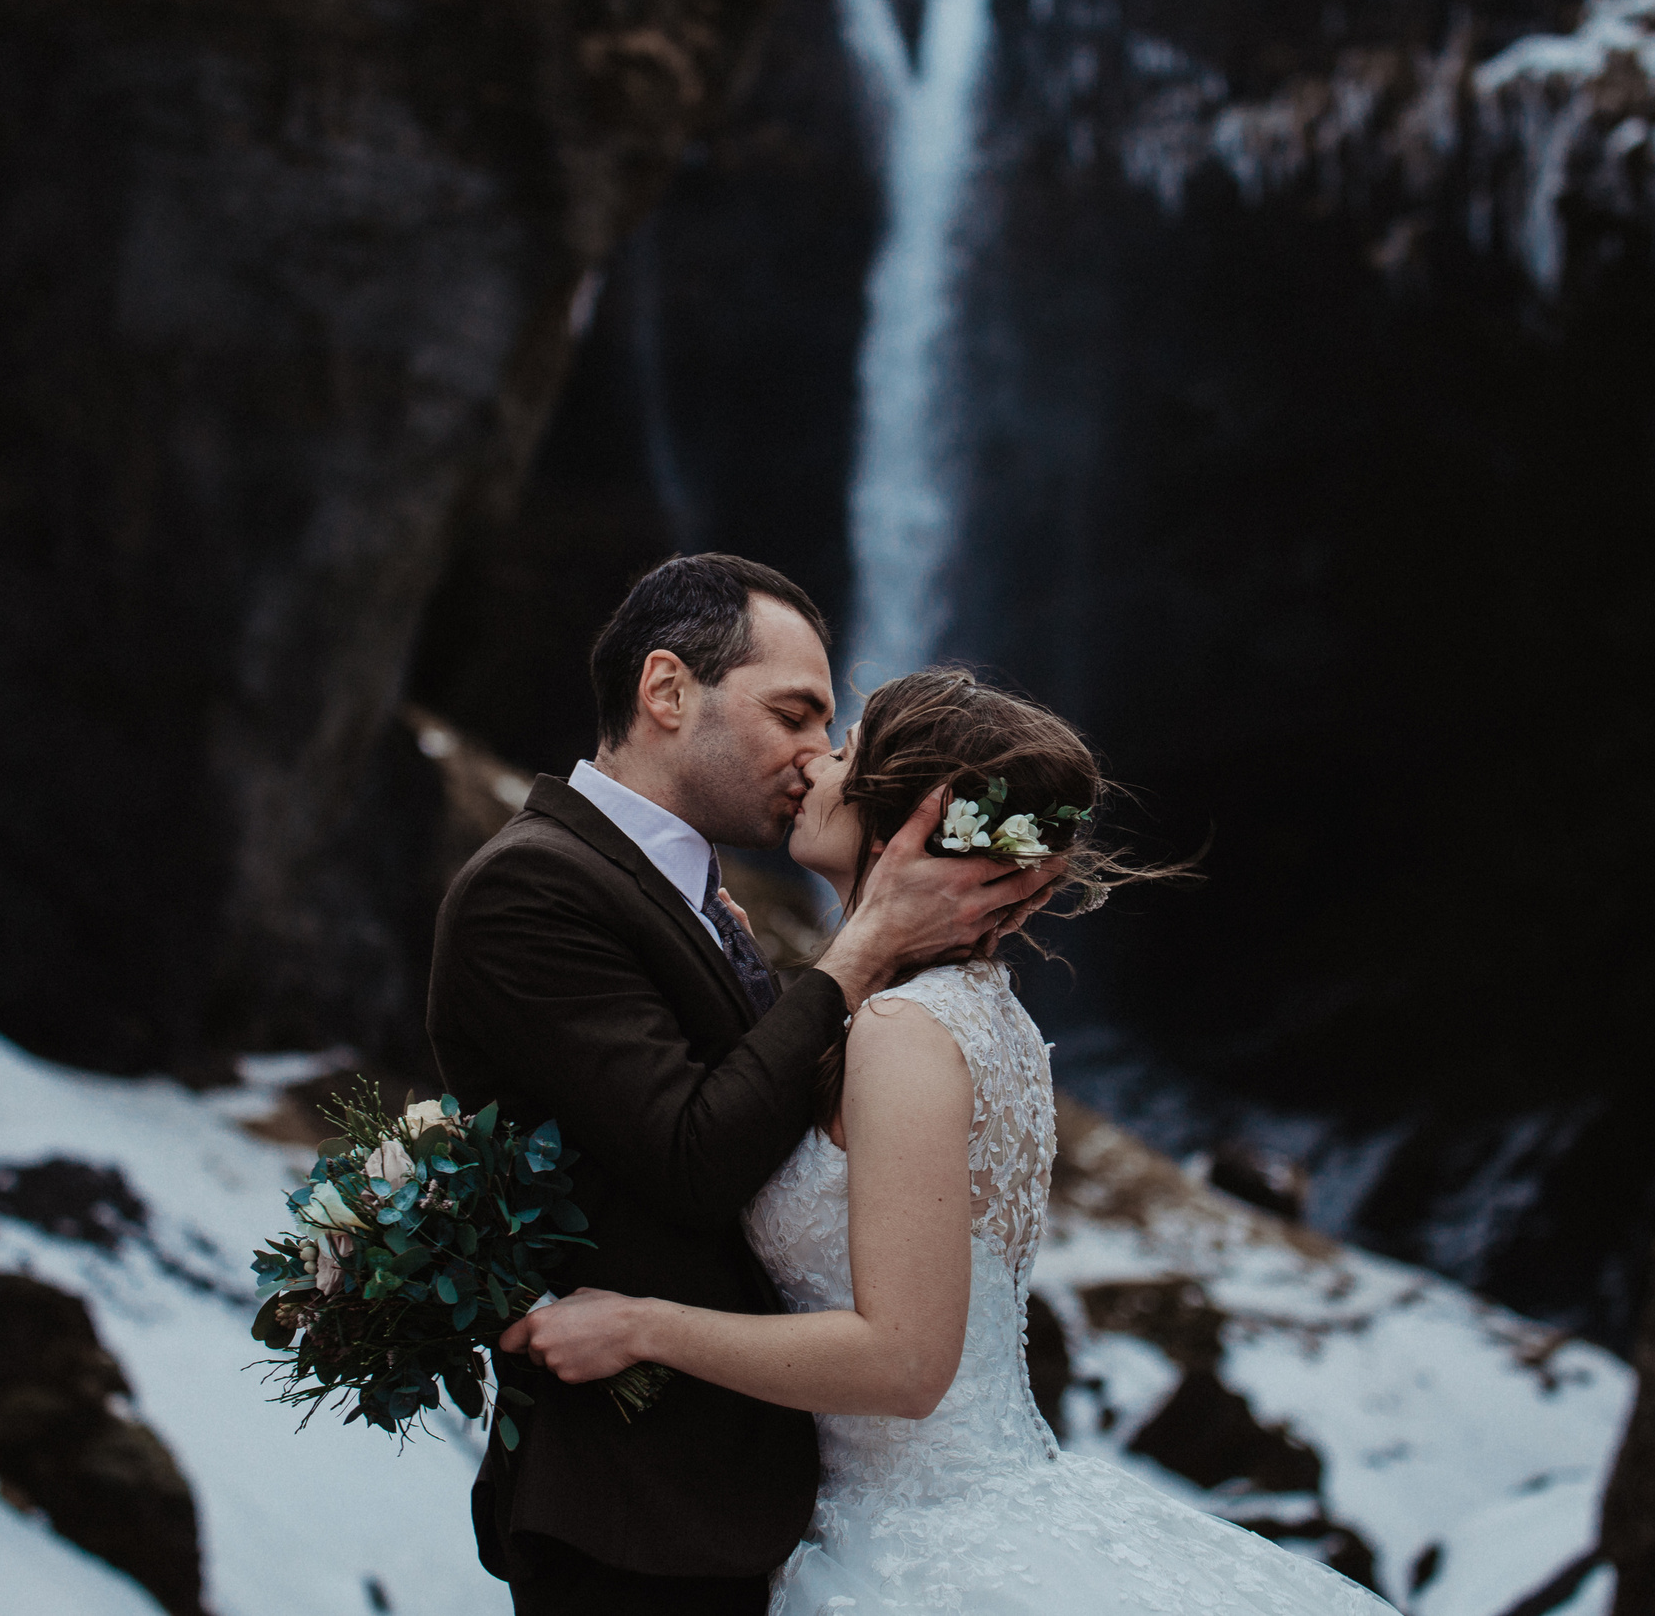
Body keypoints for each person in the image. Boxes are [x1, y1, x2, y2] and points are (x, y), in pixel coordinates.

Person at [500, 668, 1396, 1615]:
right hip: (954, 1503)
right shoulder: (983, 1018)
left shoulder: (906, 1033)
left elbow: (905, 1362)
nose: (814, 762)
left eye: (844, 751)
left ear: (913, 817)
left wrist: (640, 1326)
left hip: (911, 1549)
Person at [429, 556, 1063, 1616]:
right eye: (797, 714)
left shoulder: (716, 903)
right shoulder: (531, 886)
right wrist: (857, 954)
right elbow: (690, 1154)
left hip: (779, 1517)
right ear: (666, 691)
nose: (820, 758)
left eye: (835, 731)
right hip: (640, 1514)